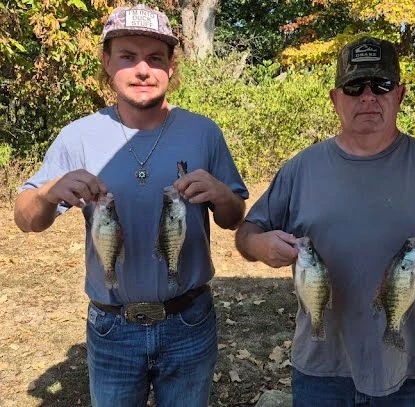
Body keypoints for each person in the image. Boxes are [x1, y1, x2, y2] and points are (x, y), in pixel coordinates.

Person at [235, 36, 415, 406]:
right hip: (322, 370)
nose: (368, 96)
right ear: (335, 99)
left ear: (400, 94)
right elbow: (246, 234)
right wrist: (259, 245)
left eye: (381, 85)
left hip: (412, 369)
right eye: (354, 86)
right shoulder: (301, 169)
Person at [14, 4, 248, 406]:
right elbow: (25, 219)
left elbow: (233, 218)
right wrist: (49, 191)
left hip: (189, 321)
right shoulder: (78, 136)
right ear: (108, 63)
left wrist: (221, 193)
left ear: (171, 67)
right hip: (111, 327)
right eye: (128, 56)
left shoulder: (203, 132)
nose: (143, 70)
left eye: (155, 58)